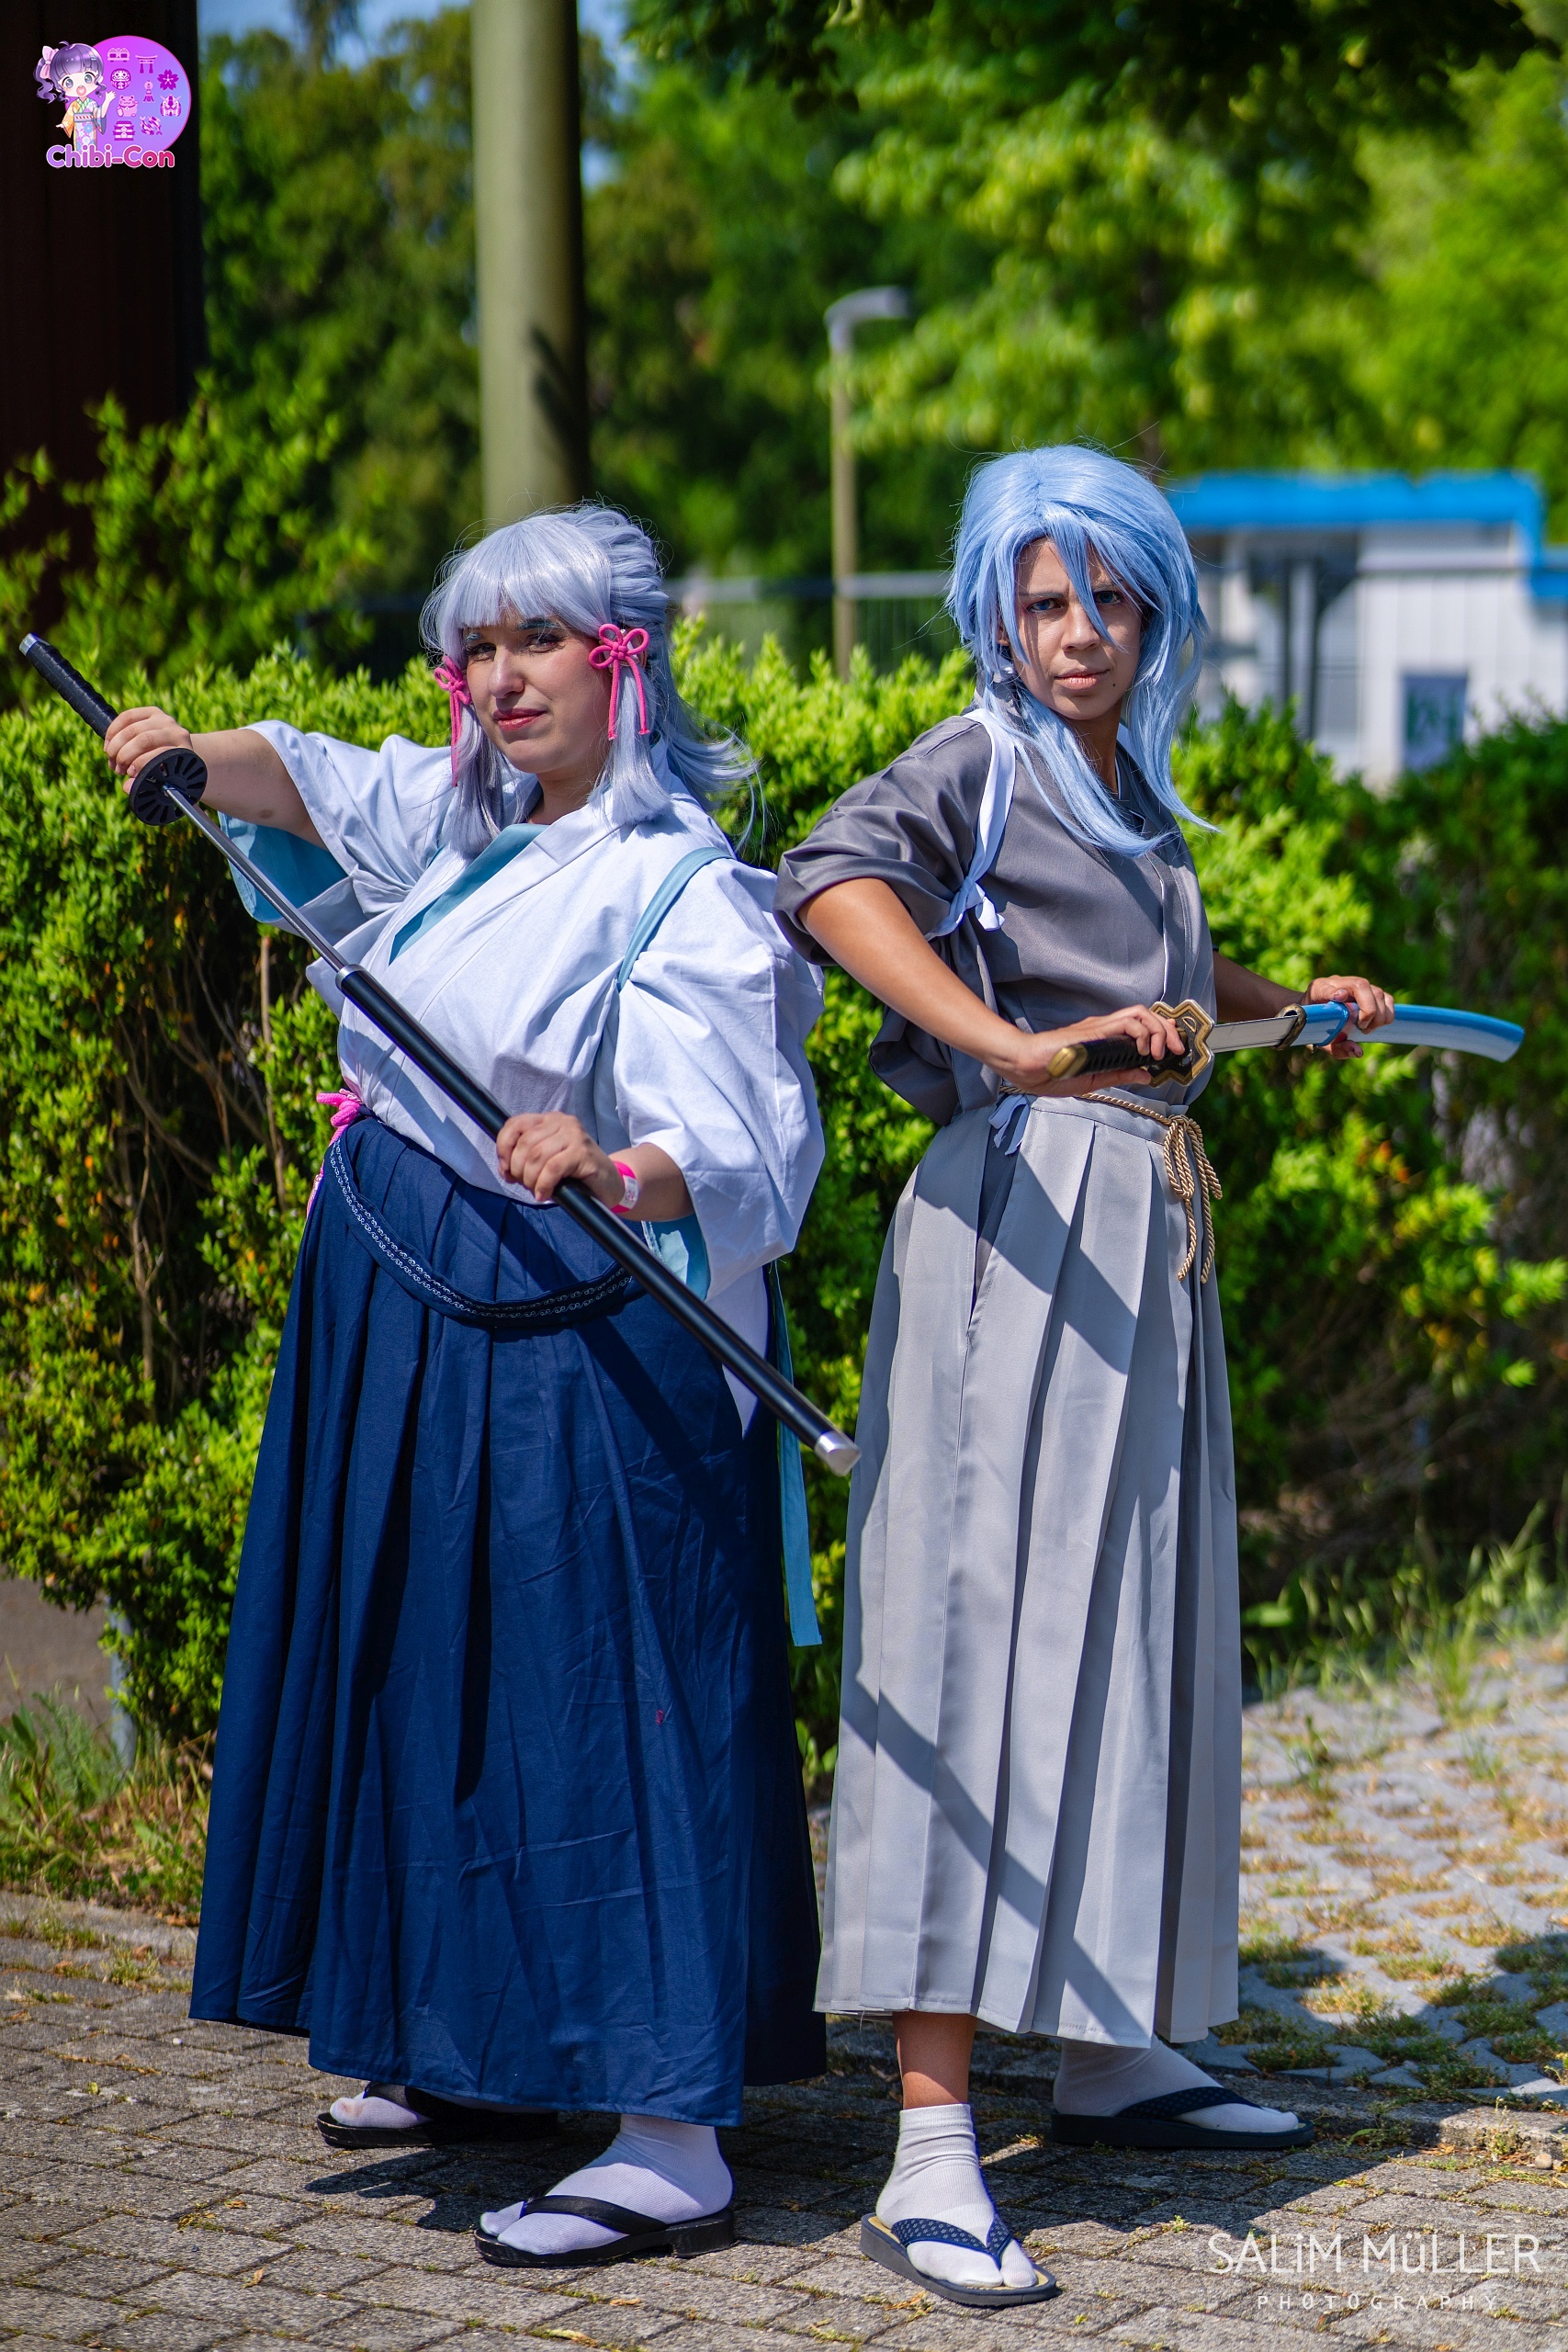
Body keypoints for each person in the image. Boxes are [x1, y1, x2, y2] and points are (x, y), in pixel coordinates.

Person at [105, 503, 828, 2269]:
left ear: (623, 661)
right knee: (437, 1687)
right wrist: (189, 753)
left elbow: (744, 1144)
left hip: (585, 1341)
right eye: (477, 649)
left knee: (598, 1702)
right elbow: (315, 781)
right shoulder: (463, 827)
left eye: (539, 643)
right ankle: (482, 2051)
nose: (501, 678)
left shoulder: (684, 886)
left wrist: (619, 1158)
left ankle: (670, 2129)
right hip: (416, 1323)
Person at [772, 446, 1394, 2312]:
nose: (1074, 631)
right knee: (978, 1648)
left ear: (1151, 615)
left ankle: (1110, 2044)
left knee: (1123, 1631)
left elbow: (1172, 984)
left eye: (1107, 600)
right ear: (997, 606)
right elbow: (824, 877)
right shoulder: (978, 757)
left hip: (1142, 1241)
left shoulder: (1124, 785)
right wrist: (1008, 1051)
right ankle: (931, 2142)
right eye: (1044, 599)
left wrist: (1301, 1004)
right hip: (1016, 1233)